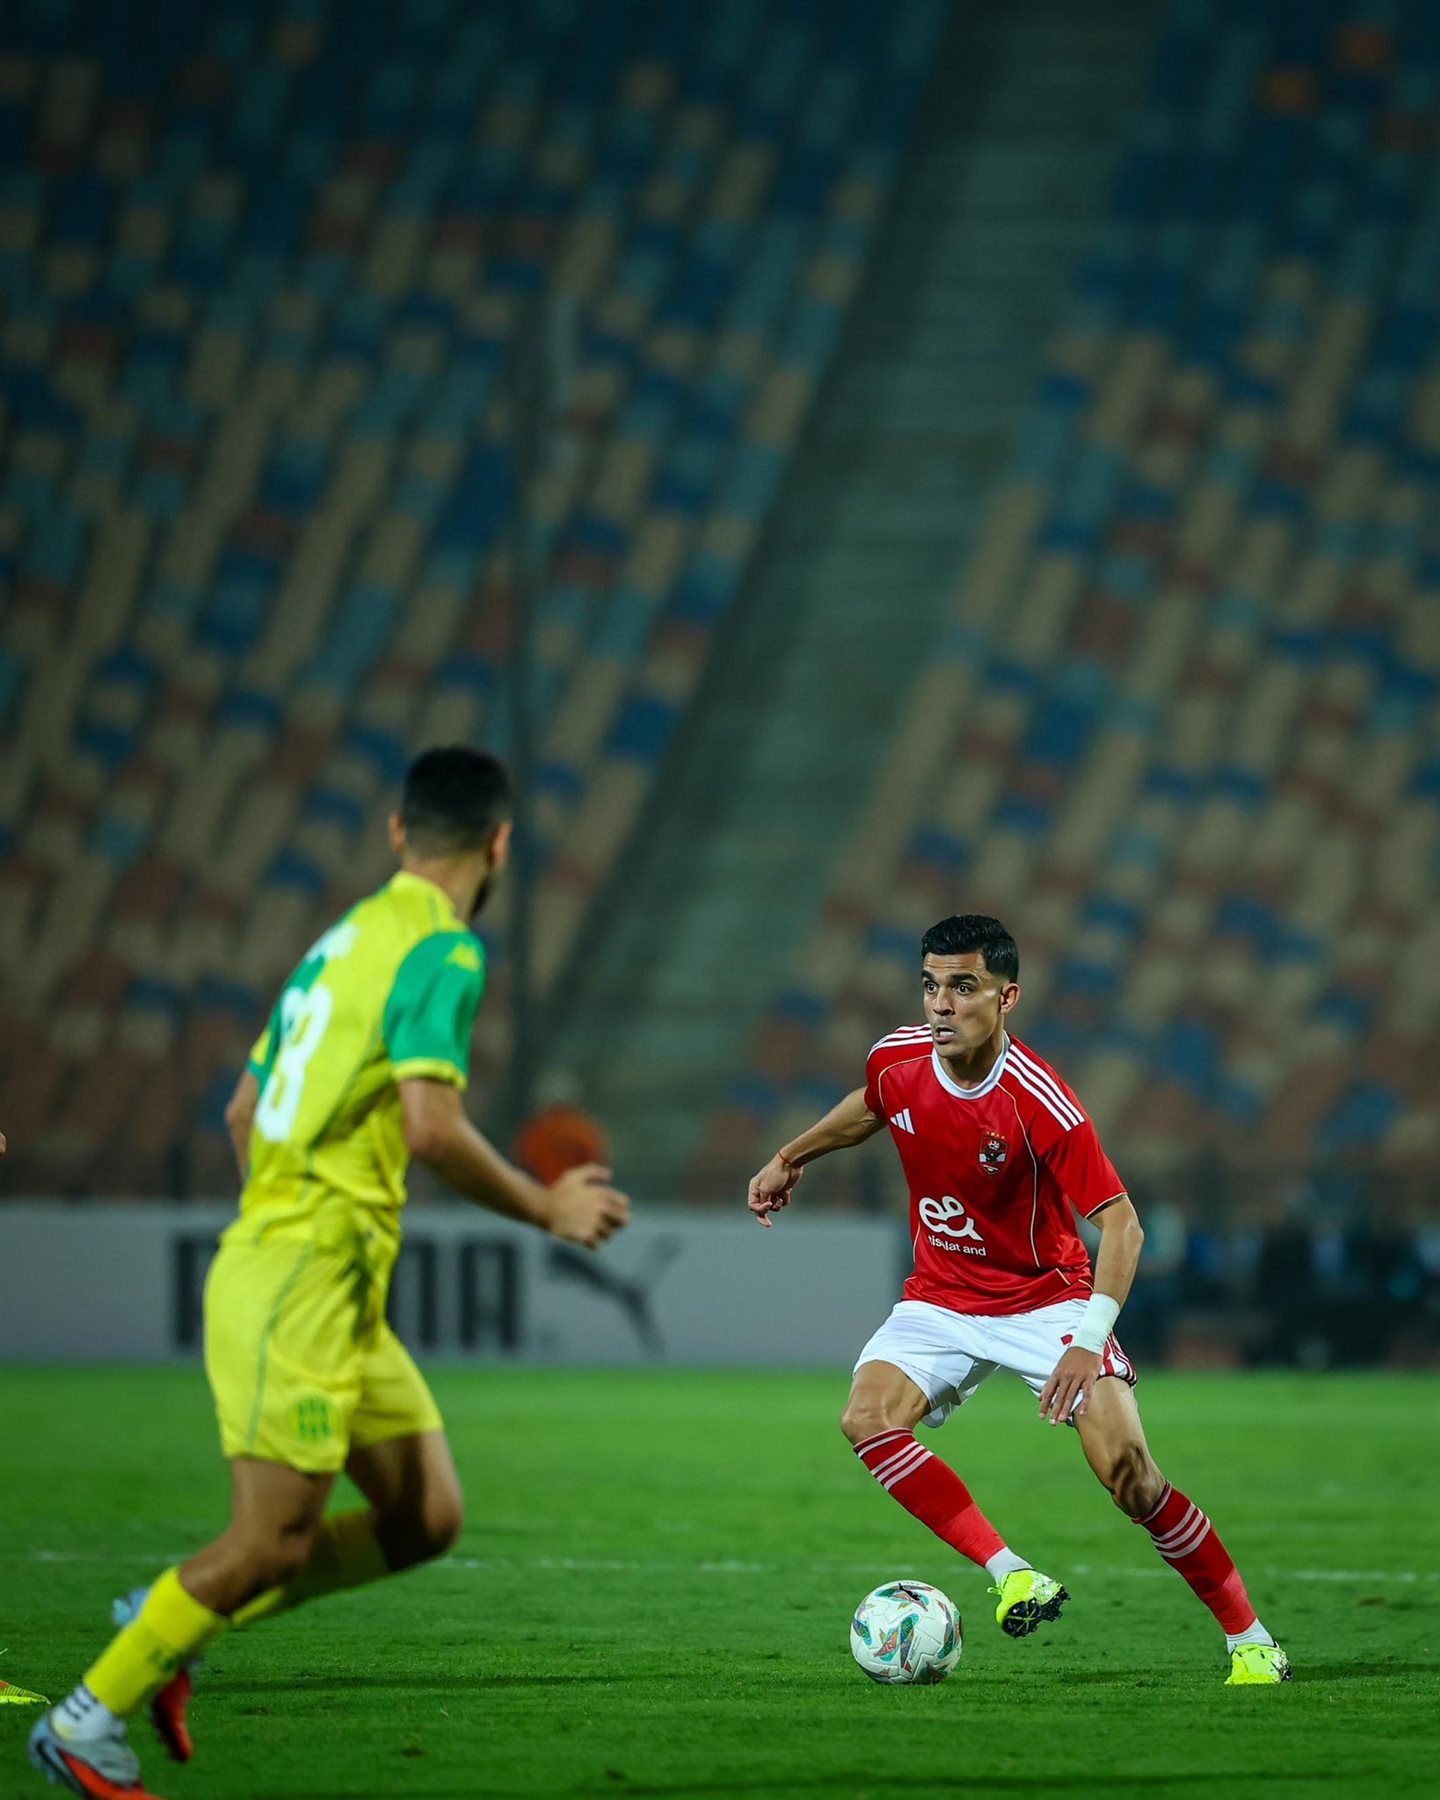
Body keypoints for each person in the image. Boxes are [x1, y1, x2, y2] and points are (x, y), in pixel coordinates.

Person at [30, 746, 631, 1799]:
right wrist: (545, 1205)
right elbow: (431, 1127)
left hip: (329, 1286)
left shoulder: (342, 942)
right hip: (302, 1280)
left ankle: (173, 1621)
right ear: (500, 845)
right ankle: (87, 1720)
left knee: (425, 1519)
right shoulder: (444, 952)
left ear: (399, 834)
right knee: (267, 1543)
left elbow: (239, 1112)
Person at [746, 914, 1289, 1686]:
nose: (941, 1004)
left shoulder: (1041, 1102)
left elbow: (1123, 1227)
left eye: (963, 987)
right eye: (931, 985)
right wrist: (787, 1156)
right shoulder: (898, 1059)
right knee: (865, 1418)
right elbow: (871, 1105)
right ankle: (1013, 1574)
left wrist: (1085, 1339)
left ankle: (1251, 1640)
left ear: (1007, 999)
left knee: (1130, 1474)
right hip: (940, 1296)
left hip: (1048, 1304)